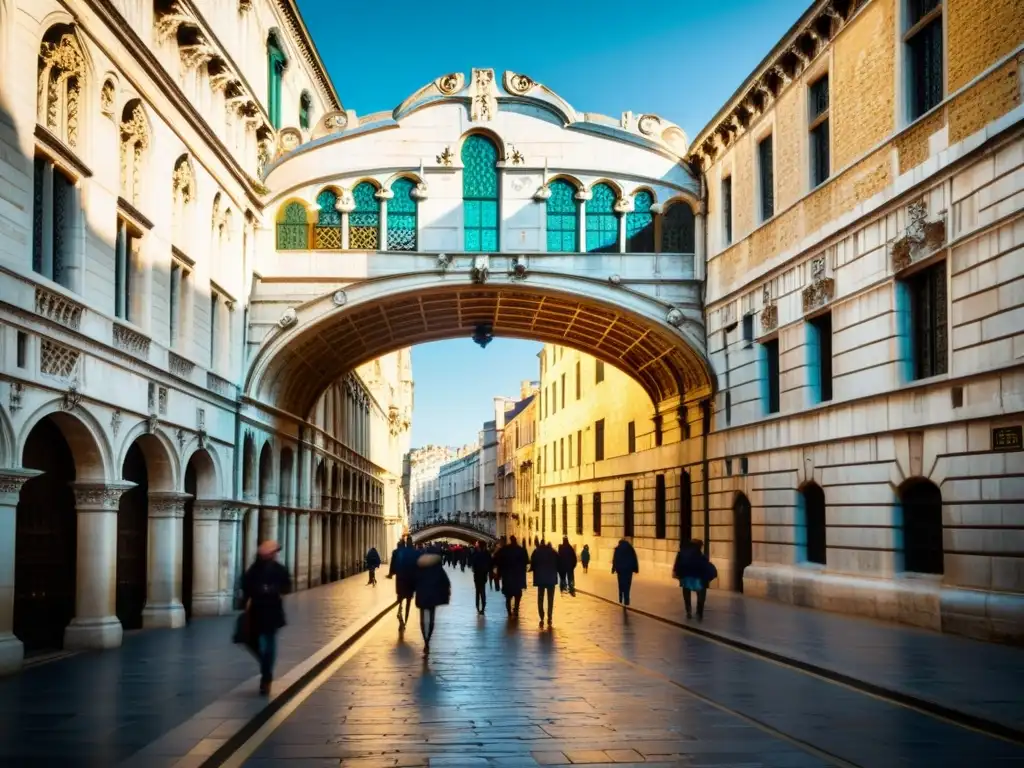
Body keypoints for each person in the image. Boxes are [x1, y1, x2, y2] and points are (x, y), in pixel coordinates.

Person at [242, 540, 291, 696]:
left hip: (271, 612)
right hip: (256, 612)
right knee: (255, 643)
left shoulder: (279, 569)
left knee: (268, 644)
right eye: (273, 552)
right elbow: (245, 586)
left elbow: (286, 587)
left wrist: (270, 590)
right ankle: (266, 669)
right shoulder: (254, 570)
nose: (275, 554)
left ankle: (266, 676)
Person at [414, 547, 451, 655]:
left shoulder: (420, 566)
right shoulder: (437, 567)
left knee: (422, 619)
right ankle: (428, 639)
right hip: (433, 595)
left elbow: (414, 579)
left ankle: (424, 638)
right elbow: (445, 581)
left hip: (421, 594)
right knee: (431, 619)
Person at [673, 538, 717, 620]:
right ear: (699, 546)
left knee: (686, 593)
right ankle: (699, 612)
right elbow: (704, 566)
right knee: (701, 594)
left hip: (686, 576)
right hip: (697, 577)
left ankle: (688, 611)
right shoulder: (699, 555)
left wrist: (677, 574)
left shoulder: (682, 552)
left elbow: (677, 563)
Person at [387, 539, 416, 628]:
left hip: (400, 579)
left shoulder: (396, 552)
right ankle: (404, 621)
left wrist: (391, 574)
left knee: (400, 598)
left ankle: (400, 612)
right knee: (408, 601)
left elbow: (392, 565)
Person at [497, 535, 528, 617]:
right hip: (517, 577)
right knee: (518, 595)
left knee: (508, 597)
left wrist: (498, 575)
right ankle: (516, 610)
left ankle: (509, 613)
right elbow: (526, 561)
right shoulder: (521, 550)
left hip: (507, 577)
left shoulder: (504, 550)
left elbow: (498, 562)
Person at [530, 540, 559, 627]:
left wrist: (533, 569)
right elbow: (558, 562)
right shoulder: (553, 551)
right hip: (551, 579)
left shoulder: (537, 551)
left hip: (540, 579)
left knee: (540, 598)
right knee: (550, 599)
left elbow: (532, 563)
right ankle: (549, 616)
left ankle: (541, 616)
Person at [611, 538, 639, 606]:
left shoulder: (618, 549)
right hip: (628, 570)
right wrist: (636, 568)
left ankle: (621, 598)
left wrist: (613, 568)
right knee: (628, 584)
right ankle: (627, 598)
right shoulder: (630, 548)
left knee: (621, 584)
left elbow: (615, 559)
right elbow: (634, 558)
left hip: (620, 570)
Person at [470, 541, 493, 615]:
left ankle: (477, 606)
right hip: (484, 574)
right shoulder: (487, 554)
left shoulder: (476, 554)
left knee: (478, 590)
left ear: (479, 546)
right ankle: (482, 607)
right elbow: (490, 563)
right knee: (482, 590)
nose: (476, 545)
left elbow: (473, 563)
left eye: (477, 544)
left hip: (477, 574)